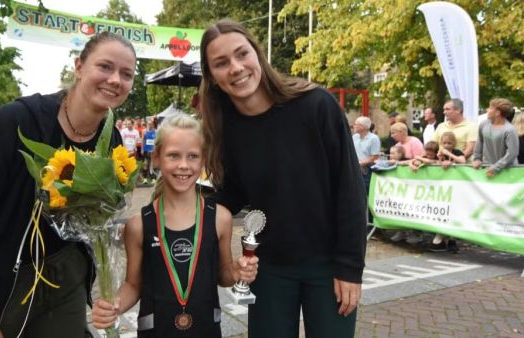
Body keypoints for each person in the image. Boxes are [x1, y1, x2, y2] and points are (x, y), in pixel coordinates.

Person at [0, 31, 136, 338]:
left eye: (126, 74)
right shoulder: (15, 122)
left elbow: (97, 214)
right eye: (105, 66)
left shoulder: (112, 139)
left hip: (66, 275)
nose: (115, 79)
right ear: (79, 67)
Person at [199, 19, 367, 338]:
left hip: (328, 266)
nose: (235, 68)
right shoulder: (225, 128)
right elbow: (232, 194)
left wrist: (350, 268)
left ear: (258, 55)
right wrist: (183, 210)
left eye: (241, 54)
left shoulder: (317, 105)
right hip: (269, 269)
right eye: (221, 63)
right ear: (213, 78)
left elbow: (350, 190)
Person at [91, 114, 258, 337]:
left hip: (206, 331)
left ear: (203, 160)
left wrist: (237, 271)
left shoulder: (220, 218)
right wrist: (113, 307)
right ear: (157, 157)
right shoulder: (139, 225)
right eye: (173, 156)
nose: (183, 165)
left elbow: (222, 275)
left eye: (192, 156)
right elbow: (133, 284)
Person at [429, 131, 465, 253]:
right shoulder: (439, 153)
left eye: (449, 143)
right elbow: (430, 161)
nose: (447, 145)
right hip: (442, 187)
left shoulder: (456, 152)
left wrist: (449, 156)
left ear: (454, 143)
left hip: (456, 186)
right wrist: (440, 161)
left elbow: (463, 161)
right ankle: (441, 237)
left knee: (454, 211)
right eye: (444, 143)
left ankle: (452, 239)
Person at [472, 98, 519, 177]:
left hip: (508, 171)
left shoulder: (510, 130)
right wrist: (476, 159)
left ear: (497, 113)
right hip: (487, 169)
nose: (487, 110)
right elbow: (479, 143)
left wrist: (496, 167)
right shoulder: (484, 124)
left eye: (490, 108)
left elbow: (512, 153)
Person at [352, 116, 381, 195]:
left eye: (355, 124)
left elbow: (374, 157)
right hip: (355, 169)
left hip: (367, 170)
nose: (353, 126)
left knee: (365, 192)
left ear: (362, 127)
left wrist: (360, 163)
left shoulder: (374, 139)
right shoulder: (354, 137)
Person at [141, 119, 157, 184]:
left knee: (152, 165)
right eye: (148, 124)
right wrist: (142, 149)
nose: (149, 125)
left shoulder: (155, 131)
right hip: (145, 150)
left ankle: (153, 178)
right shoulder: (144, 131)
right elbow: (143, 140)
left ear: (153, 125)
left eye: (151, 124)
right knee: (145, 164)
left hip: (152, 150)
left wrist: (154, 149)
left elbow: (156, 142)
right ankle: (145, 179)